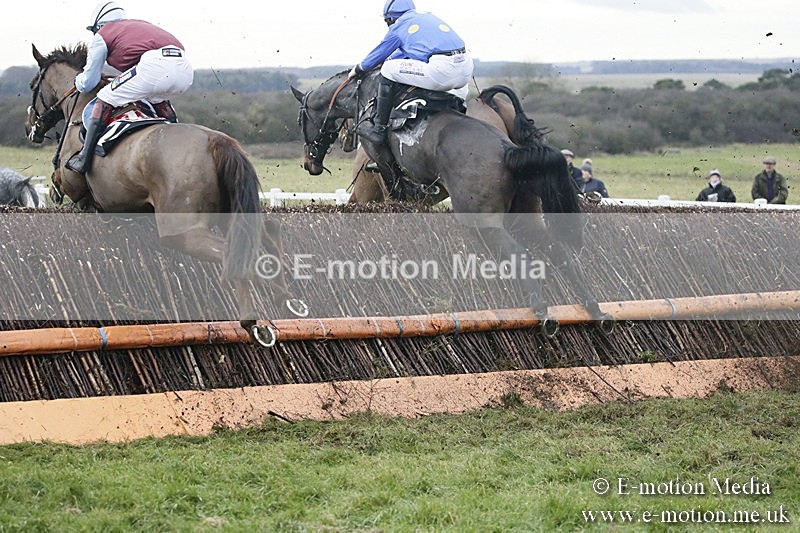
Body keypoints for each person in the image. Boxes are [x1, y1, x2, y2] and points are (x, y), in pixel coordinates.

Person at [66, 2, 193, 174]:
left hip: (156, 67)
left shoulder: (104, 34)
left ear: (99, 25)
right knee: (157, 100)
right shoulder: (137, 26)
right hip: (185, 70)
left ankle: (83, 159)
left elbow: (89, 82)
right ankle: (175, 140)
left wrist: (77, 81)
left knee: (105, 96)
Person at [347, 0, 474, 144]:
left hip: (442, 72)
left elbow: (380, 53)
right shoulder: (425, 17)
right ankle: (459, 115)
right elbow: (406, 53)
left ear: (390, 19)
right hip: (465, 72)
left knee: (388, 69)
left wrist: (359, 68)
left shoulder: (399, 25)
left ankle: (379, 128)